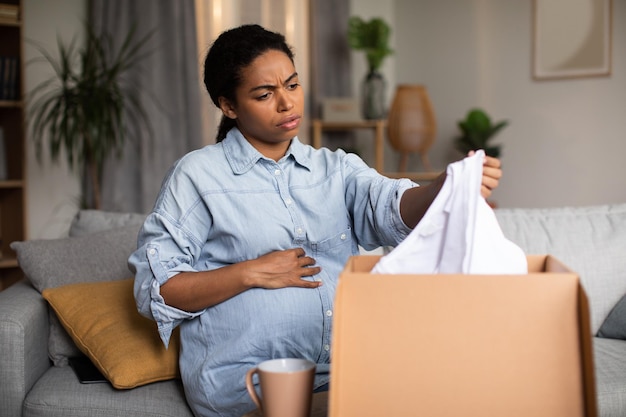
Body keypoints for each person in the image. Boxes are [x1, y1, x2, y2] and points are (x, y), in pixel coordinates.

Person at [129, 24, 502, 417]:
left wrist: (443, 187)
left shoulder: (334, 169)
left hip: (347, 373)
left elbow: (386, 203)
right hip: (249, 388)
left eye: (292, 85)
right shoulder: (197, 175)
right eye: (264, 94)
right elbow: (156, 288)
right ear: (229, 106)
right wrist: (251, 272)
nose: (287, 103)